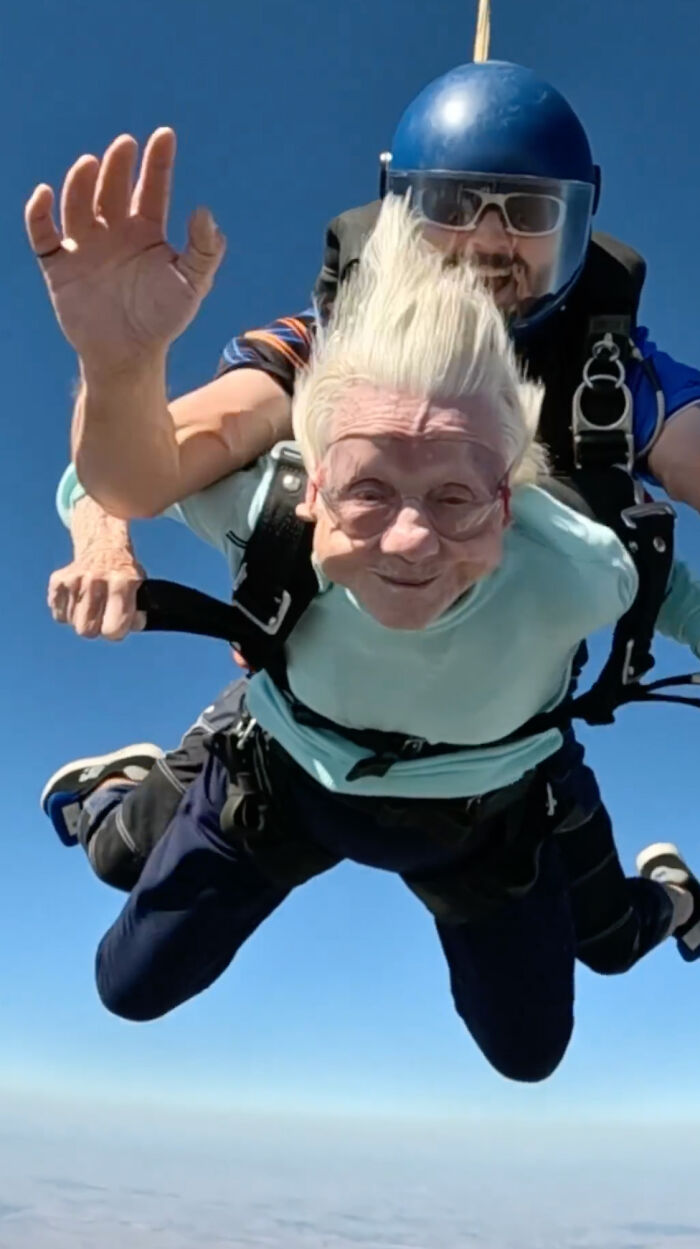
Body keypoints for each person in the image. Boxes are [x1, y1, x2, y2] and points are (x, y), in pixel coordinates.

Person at [37, 201, 700, 1081]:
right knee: (127, 971)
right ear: (309, 489)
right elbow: (110, 477)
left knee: (550, 1026)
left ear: (511, 503)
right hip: (288, 771)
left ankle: (677, 898)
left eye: (456, 500)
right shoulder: (268, 501)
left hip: (489, 809)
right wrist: (119, 370)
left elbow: (674, 597)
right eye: (368, 494)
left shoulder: (583, 562)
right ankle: (113, 794)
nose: (412, 542)